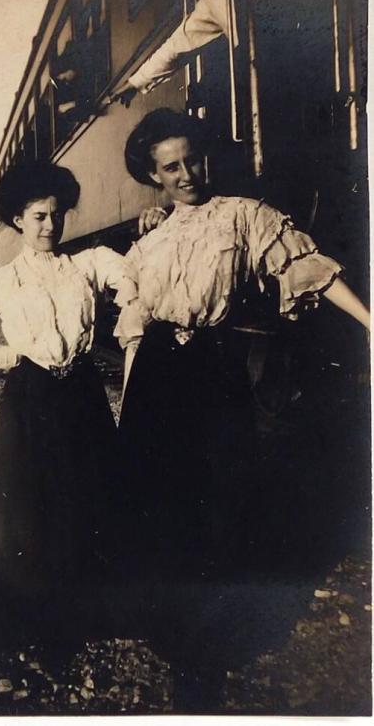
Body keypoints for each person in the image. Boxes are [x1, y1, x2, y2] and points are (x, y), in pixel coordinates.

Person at [114, 108, 370, 585]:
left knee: (221, 486)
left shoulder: (245, 214)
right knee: (160, 489)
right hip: (155, 372)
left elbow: (306, 265)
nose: (186, 175)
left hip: (212, 367)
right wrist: (129, 397)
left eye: (192, 160)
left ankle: (218, 614)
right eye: (172, 167)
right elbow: (135, 325)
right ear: (155, 175)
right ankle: (166, 608)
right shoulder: (149, 240)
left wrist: (370, 323)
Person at [0, 161, 134, 648]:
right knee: (31, 504)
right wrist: (12, 356)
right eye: (39, 216)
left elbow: (127, 274)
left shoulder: (86, 264)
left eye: (57, 214)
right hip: (30, 396)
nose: (51, 225)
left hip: (82, 394)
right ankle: (38, 619)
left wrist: (131, 298)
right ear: (18, 222)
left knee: (88, 492)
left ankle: (91, 610)